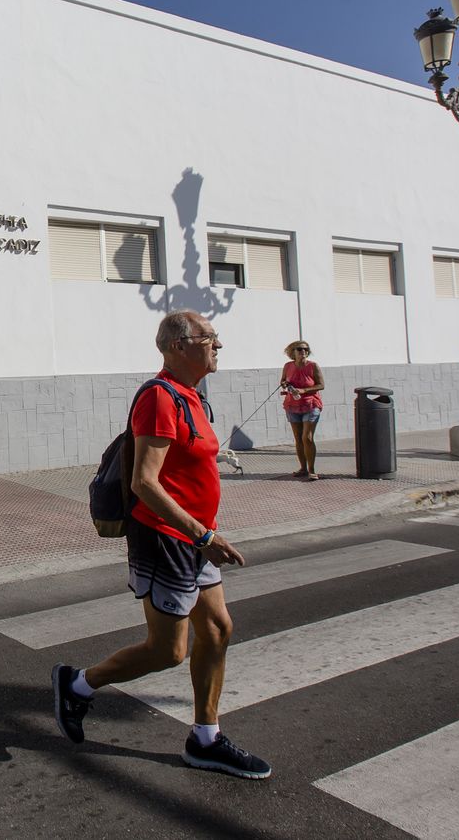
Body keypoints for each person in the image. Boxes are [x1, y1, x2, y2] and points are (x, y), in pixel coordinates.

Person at [51, 310, 271, 779]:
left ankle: (205, 739)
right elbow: (145, 483)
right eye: (209, 337)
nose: (218, 345)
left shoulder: (193, 397)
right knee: (168, 651)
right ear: (178, 346)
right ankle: (77, 685)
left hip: (196, 537)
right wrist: (202, 535)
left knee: (217, 630)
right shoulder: (158, 397)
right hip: (168, 539)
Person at [281, 340, 325, 479]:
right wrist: (285, 385)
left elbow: (321, 385)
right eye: (300, 349)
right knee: (298, 438)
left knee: (307, 438)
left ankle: (312, 470)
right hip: (292, 405)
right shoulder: (288, 366)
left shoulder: (313, 366)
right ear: (293, 352)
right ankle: (303, 468)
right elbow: (283, 381)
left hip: (311, 404)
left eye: (306, 349)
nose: (303, 351)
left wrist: (304, 390)